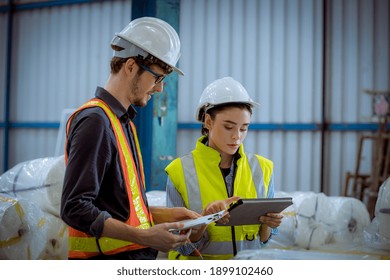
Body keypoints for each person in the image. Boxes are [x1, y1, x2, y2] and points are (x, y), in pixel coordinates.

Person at [60, 17, 200, 260]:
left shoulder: (122, 123)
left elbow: (119, 207)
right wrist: (146, 237)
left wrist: (166, 215)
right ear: (131, 66)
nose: (159, 89)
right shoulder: (95, 122)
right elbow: (75, 208)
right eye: (157, 77)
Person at [165, 77, 284, 260]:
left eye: (244, 129)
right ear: (208, 121)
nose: (237, 137)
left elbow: (263, 242)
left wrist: (268, 224)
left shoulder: (263, 169)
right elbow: (181, 248)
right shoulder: (179, 171)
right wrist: (203, 220)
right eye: (228, 127)